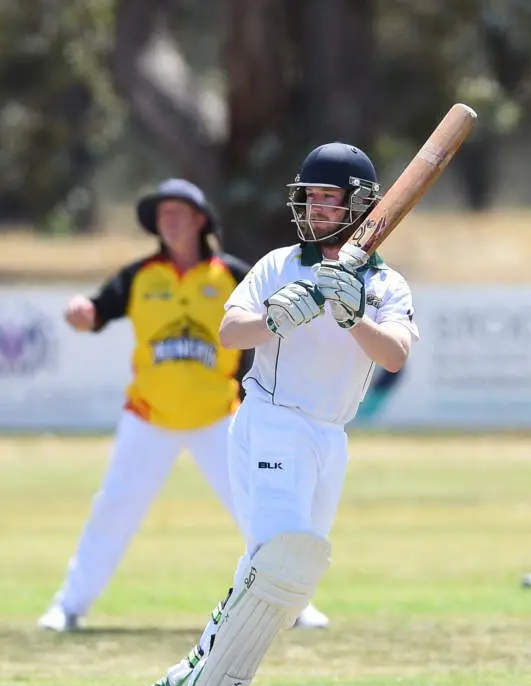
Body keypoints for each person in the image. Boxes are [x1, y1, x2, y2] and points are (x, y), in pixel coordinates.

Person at [146, 143, 419, 686]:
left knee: (293, 574)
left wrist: (354, 319)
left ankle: (190, 678)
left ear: (360, 205)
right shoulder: (278, 265)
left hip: (331, 434)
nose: (318, 208)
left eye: (330, 198)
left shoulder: (385, 283)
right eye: (312, 197)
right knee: (280, 554)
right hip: (272, 419)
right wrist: (276, 317)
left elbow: (394, 355)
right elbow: (228, 331)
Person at [37, 177, 330, 634]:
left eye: (177, 211)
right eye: (161, 212)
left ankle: (291, 605)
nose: (168, 219)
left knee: (260, 509)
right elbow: (97, 310)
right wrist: (82, 313)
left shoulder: (231, 273)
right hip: (149, 417)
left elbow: (272, 317)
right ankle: (68, 606)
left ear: (200, 220)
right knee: (113, 509)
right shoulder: (140, 276)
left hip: (220, 417)